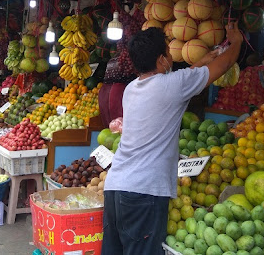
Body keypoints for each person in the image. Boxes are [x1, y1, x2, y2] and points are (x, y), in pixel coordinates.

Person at [102, 23, 243, 254]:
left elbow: (182, 78)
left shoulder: (131, 89)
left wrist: (205, 58)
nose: (171, 58)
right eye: (168, 53)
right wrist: (236, 42)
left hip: (116, 187)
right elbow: (225, 64)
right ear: (160, 60)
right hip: (144, 192)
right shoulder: (172, 86)